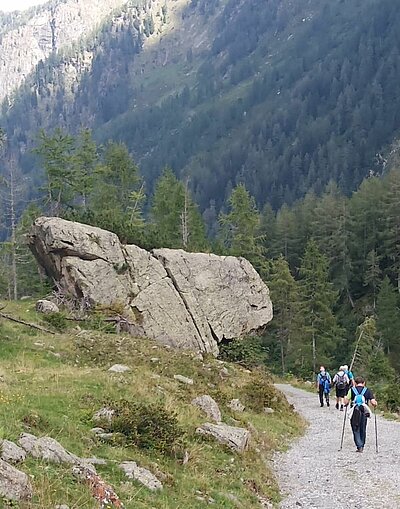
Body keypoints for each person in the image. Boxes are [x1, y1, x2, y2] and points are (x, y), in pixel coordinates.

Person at [344, 376, 377, 452]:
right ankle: (362, 444)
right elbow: (373, 402)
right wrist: (375, 404)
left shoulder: (351, 390)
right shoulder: (368, 390)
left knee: (355, 428)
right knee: (363, 428)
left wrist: (346, 402)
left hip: (354, 411)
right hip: (364, 411)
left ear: (355, 383)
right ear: (364, 383)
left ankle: (359, 446)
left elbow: (346, 401)